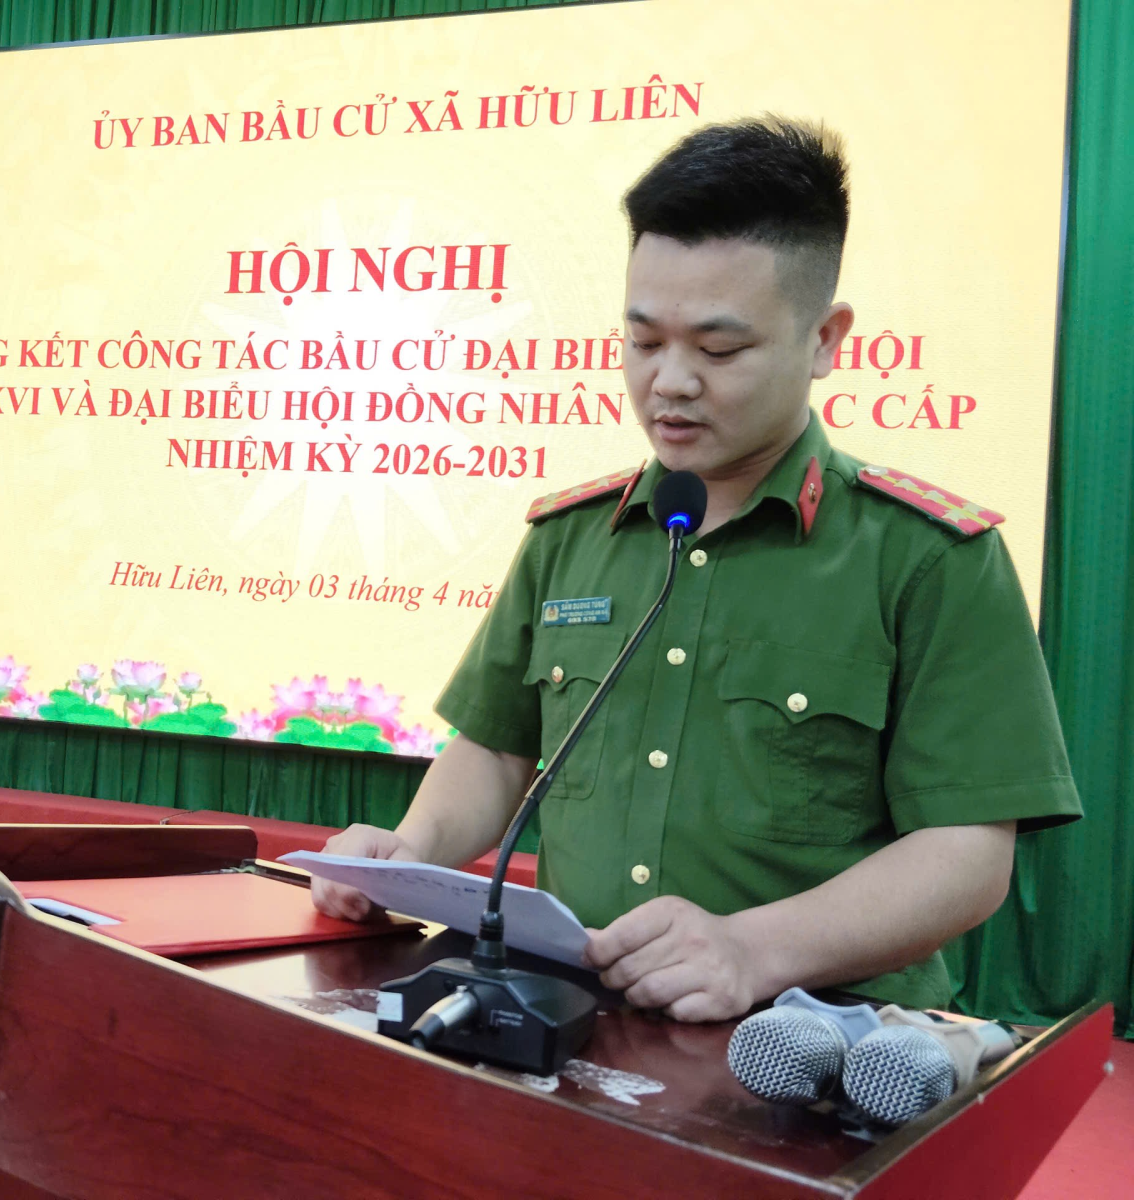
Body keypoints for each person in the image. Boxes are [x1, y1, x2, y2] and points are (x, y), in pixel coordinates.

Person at [311, 117, 1079, 1022]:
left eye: (719, 350)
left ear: (825, 339)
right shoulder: (572, 536)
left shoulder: (929, 558)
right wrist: (410, 851)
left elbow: (967, 854)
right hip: (568, 1014)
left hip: (815, 1043)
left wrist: (753, 949)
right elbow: (498, 748)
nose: (670, 382)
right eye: (644, 342)